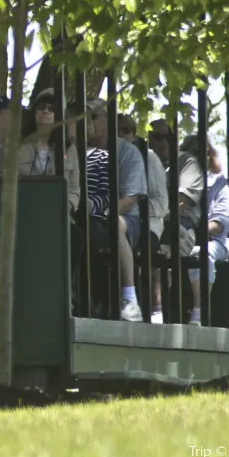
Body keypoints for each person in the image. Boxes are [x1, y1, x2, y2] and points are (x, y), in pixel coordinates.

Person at [85, 98, 148, 322]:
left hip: (121, 218)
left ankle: (130, 299)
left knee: (115, 223)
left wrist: (101, 211)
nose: (87, 122)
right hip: (88, 217)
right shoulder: (76, 150)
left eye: (93, 117)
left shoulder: (128, 153)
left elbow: (129, 200)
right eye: (83, 117)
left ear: (108, 120)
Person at [117, 114, 168, 323]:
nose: (120, 135)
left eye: (125, 130)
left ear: (134, 135)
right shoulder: (106, 155)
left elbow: (161, 203)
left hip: (148, 226)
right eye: (116, 130)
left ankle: (141, 305)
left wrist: (132, 205)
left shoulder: (149, 158)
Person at [180, 136, 229, 326]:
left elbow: (222, 221)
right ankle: (158, 309)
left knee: (201, 253)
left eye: (205, 153)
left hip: (213, 241)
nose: (199, 157)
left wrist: (198, 233)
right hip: (181, 236)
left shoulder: (219, 182)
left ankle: (198, 311)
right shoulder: (179, 179)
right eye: (193, 153)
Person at [2, 87, 80, 213]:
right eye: (41, 107)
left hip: (57, 214)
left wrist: (64, 207)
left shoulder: (69, 149)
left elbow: (74, 191)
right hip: (20, 212)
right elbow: (0, 179)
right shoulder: (14, 145)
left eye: (52, 108)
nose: (46, 111)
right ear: (34, 112)